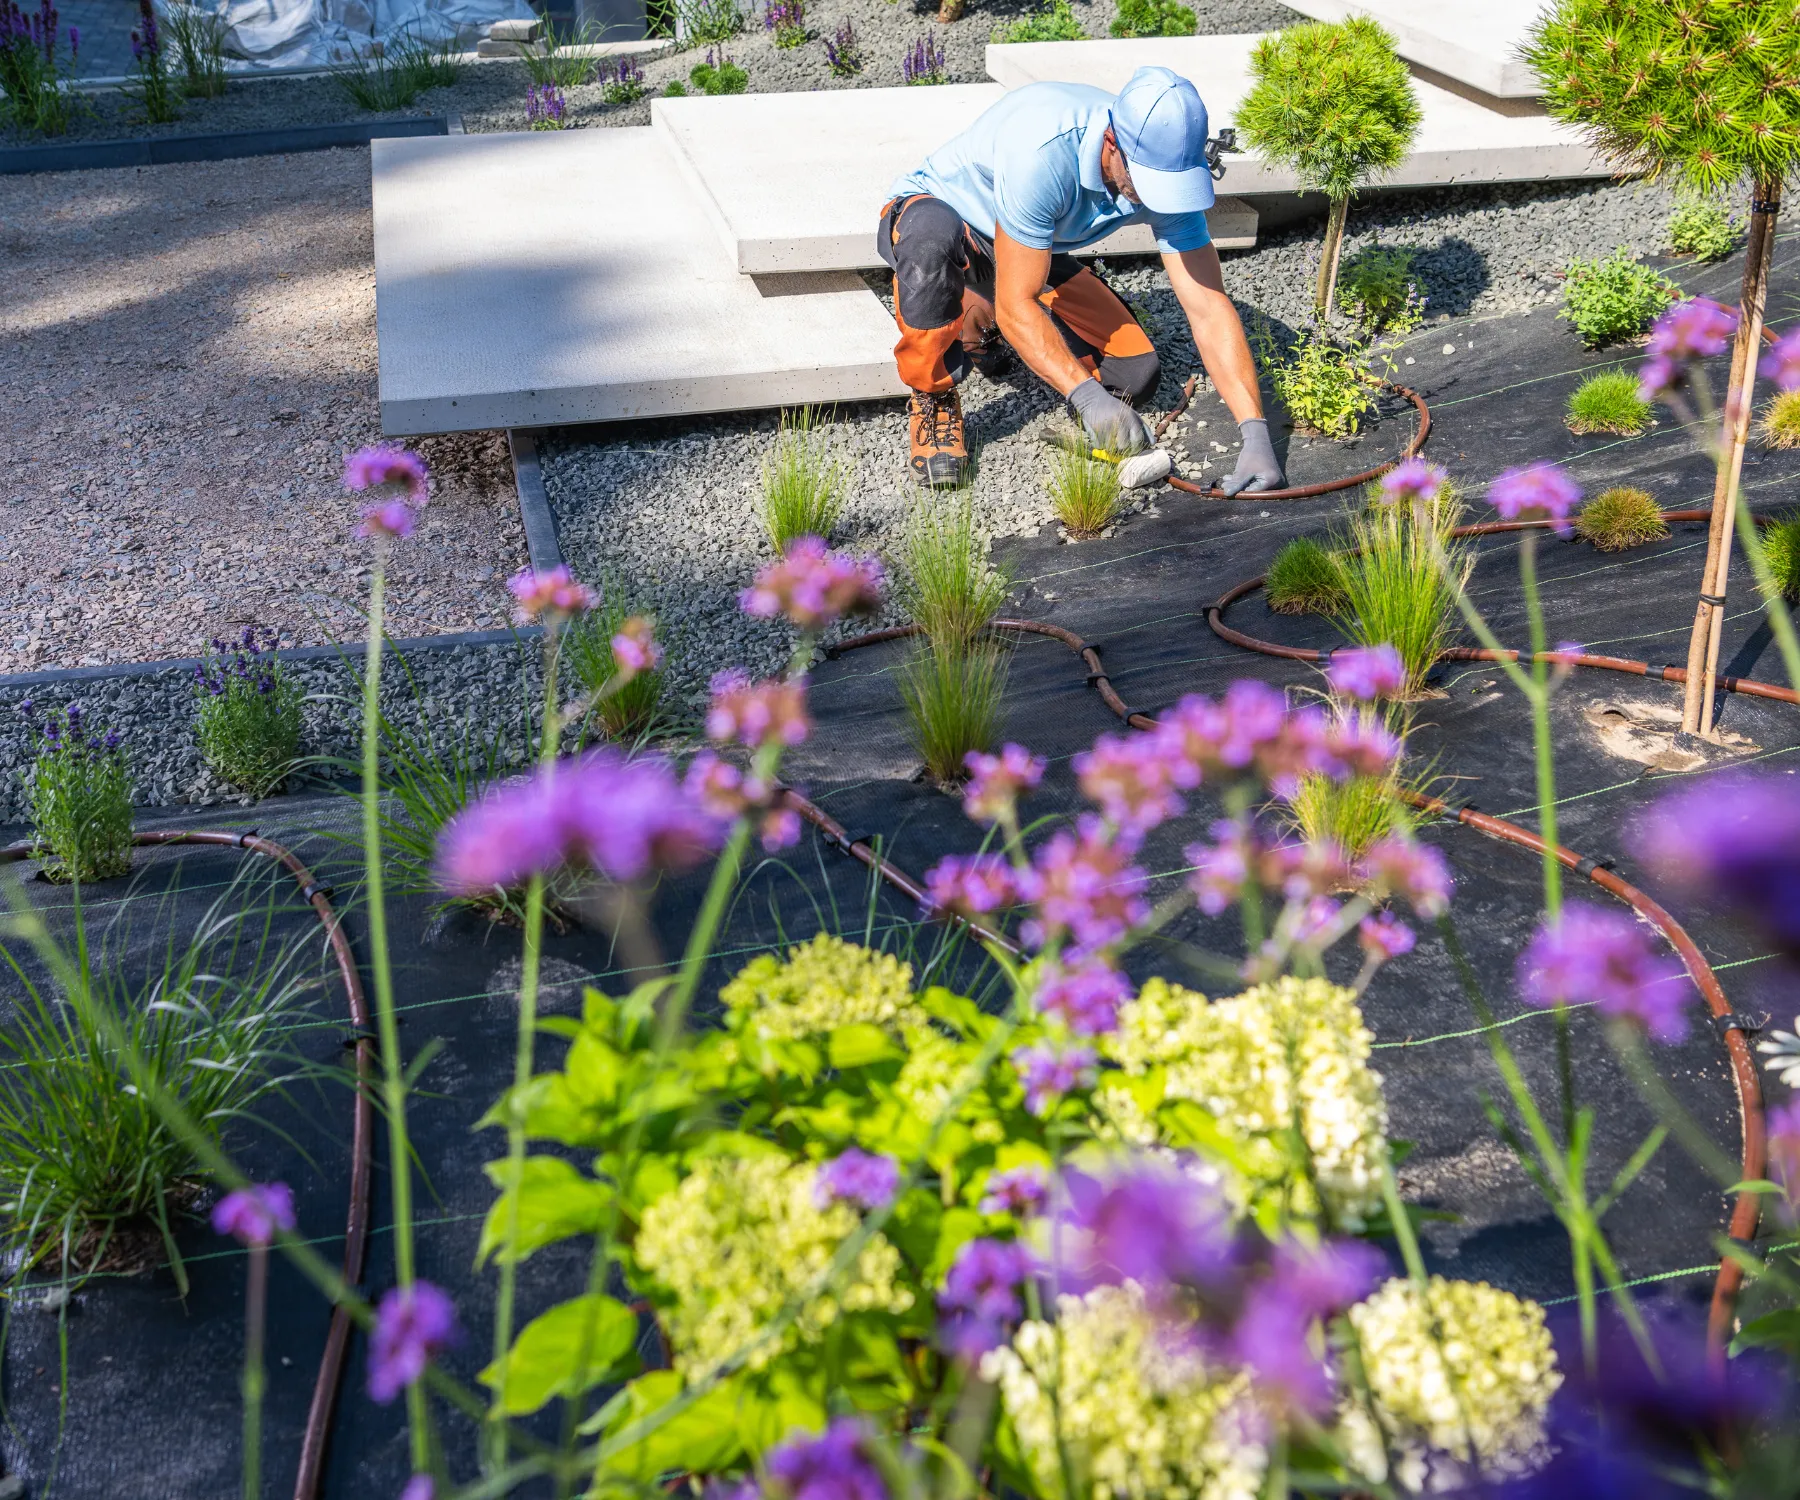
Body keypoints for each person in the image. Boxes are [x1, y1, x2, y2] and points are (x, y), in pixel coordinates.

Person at [877, 64, 1284, 494]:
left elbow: (1207, 305)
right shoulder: (1043, 152)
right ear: (1112, 144)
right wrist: (1086, 397)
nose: (1158, 199)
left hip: (1026, 249)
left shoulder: (1167, 166)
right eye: (1148, 182)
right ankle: (934, 393)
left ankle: (978, 306)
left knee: (1134, 377)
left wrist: (1255, 432)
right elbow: (1020, 305)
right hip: (946, 221)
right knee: (930, 239)